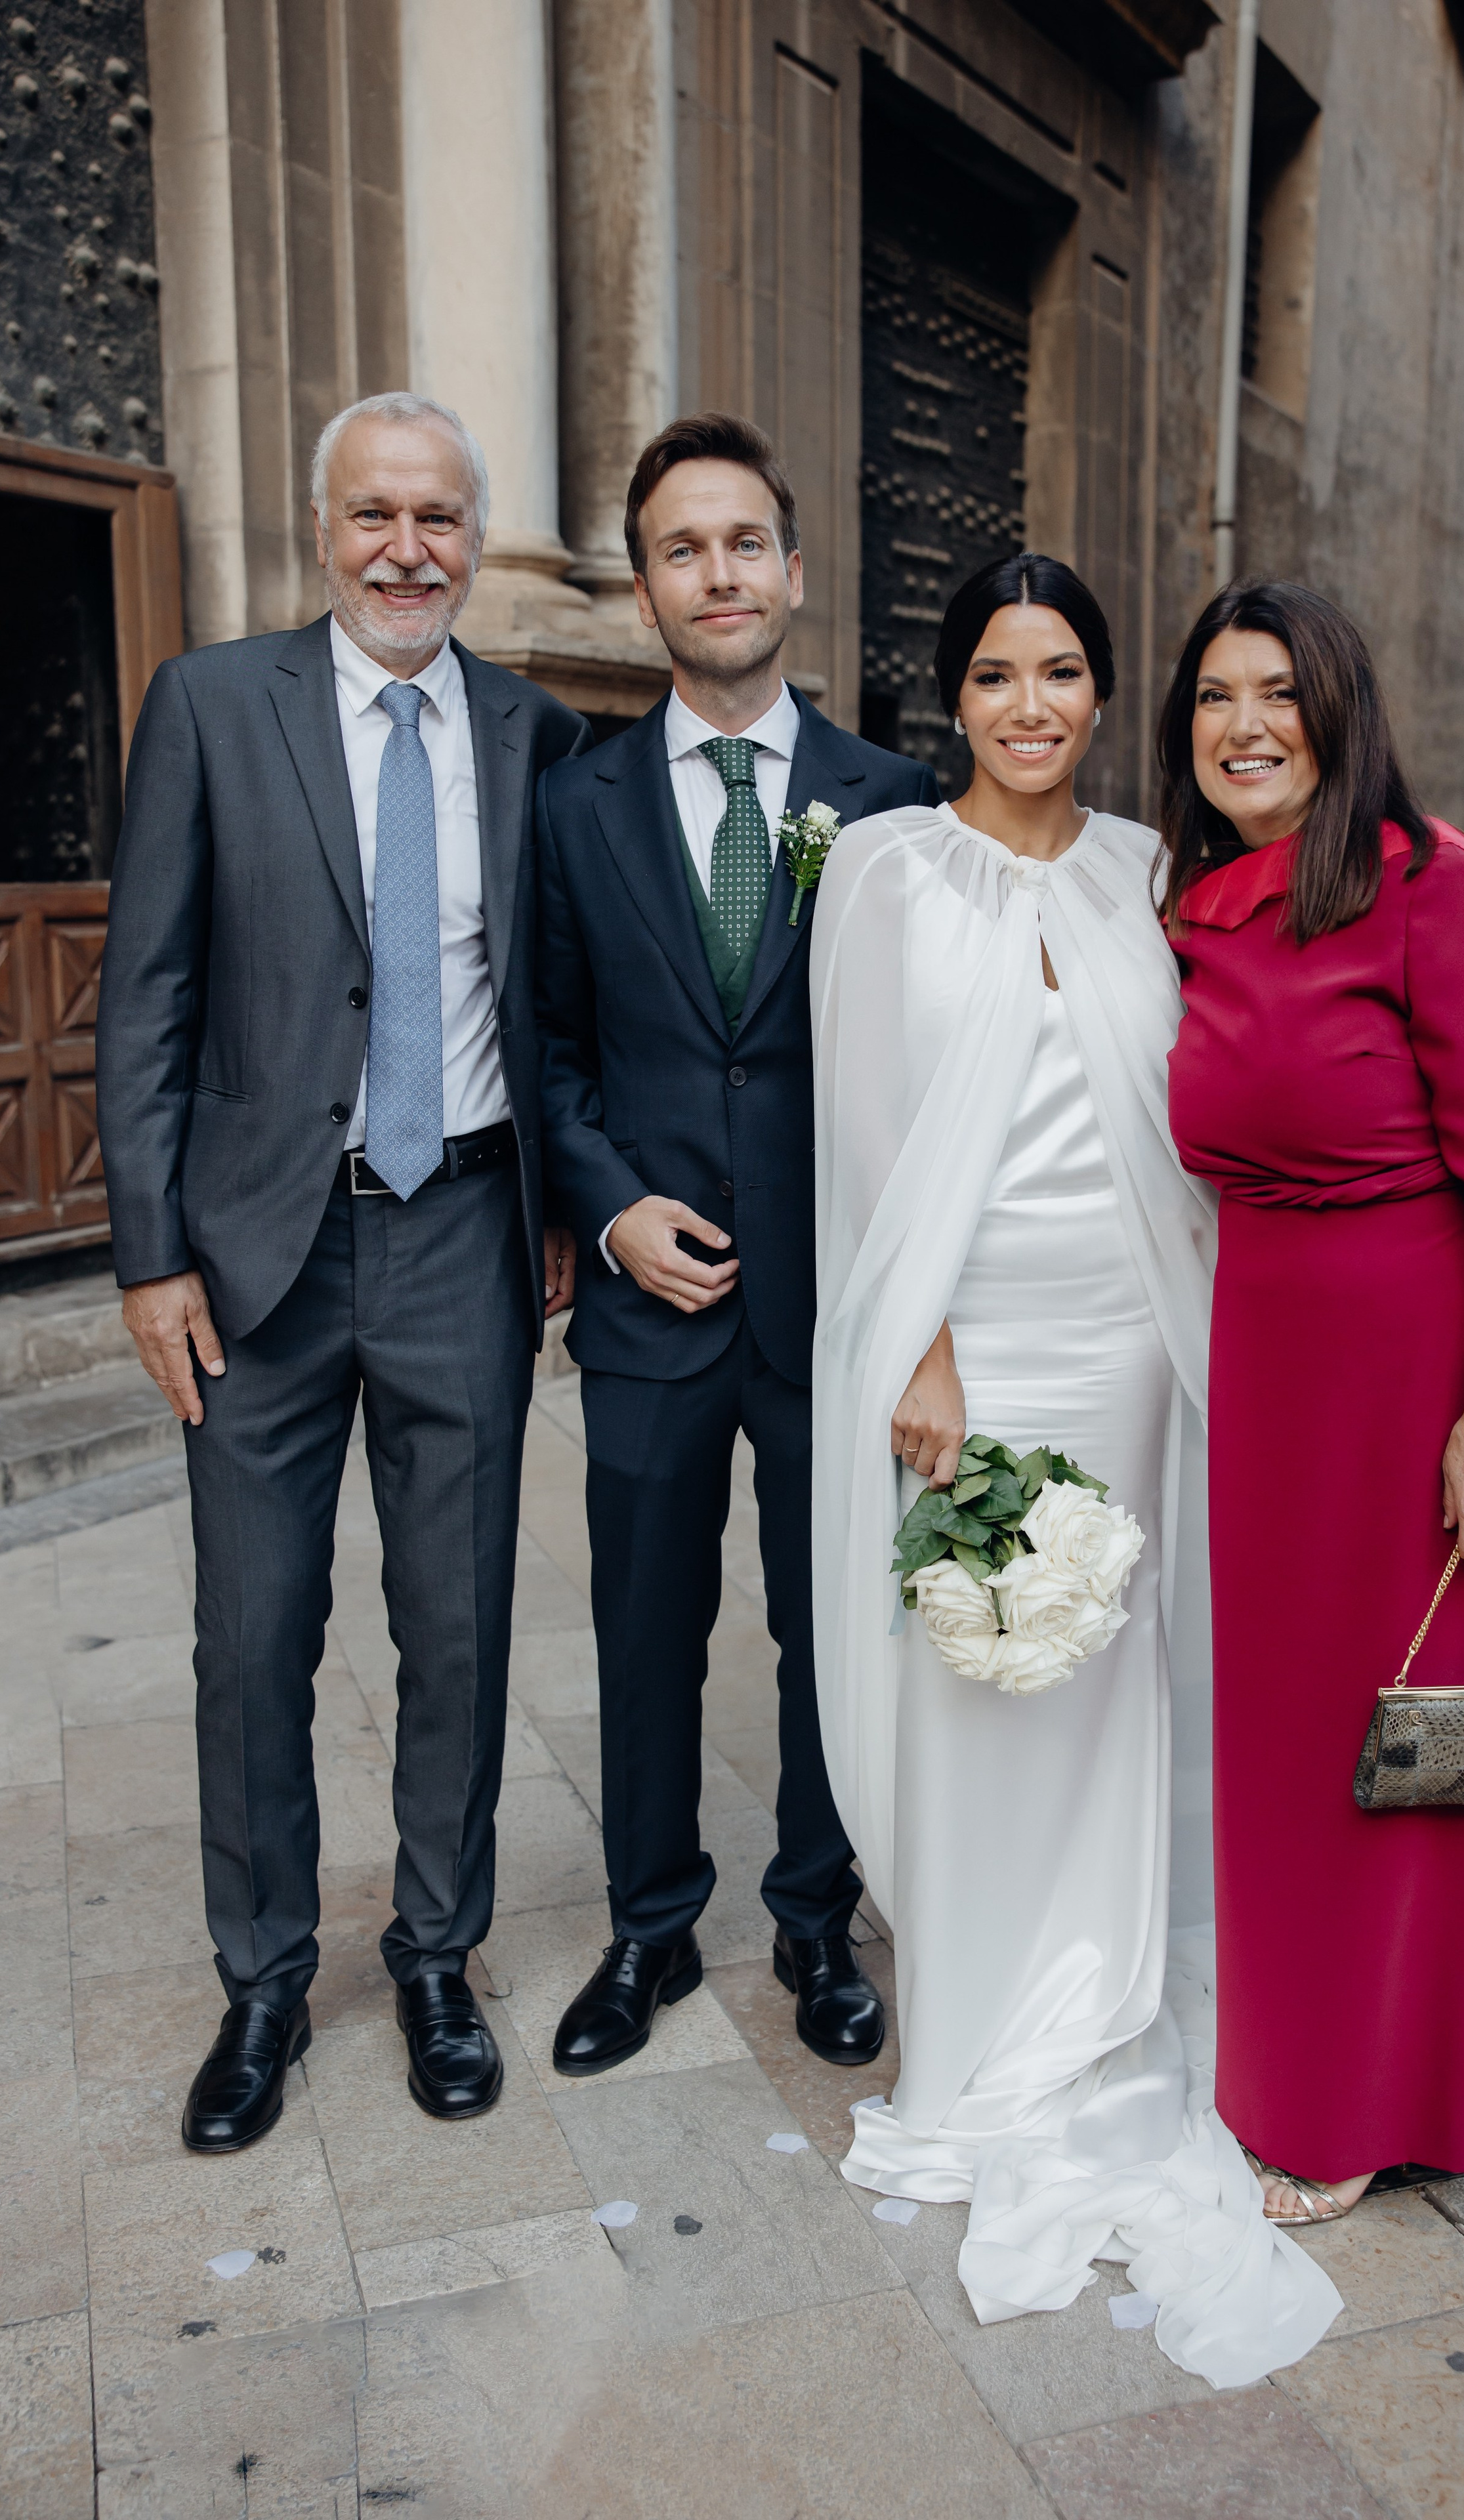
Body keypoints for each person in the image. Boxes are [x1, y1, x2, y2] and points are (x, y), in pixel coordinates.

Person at [810, 553, 1341, 2387]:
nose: (1028, 705)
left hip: (1126, 1334)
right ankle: (972, 2023)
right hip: (971, 1343)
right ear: (947, 695)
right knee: (975, 1670)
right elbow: (868, 1124)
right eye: (994, 674)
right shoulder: (880, 870)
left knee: (1104, 1661)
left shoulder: (1148, 872)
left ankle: (1108, 1986)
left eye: (1061, 673)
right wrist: (924, 1349)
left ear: (1106, 698)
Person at [97, 392, 589, 2151]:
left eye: (441, 518)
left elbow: (554, 998)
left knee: (457, 1625)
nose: (408, 549)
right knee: (253, 1633)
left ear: (474, 535)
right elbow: (146, 992)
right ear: (325, 530)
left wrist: (559, 1202)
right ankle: (264, 1980)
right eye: (376, 515)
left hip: (460, 1226)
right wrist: (149, 1252)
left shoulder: (535, 734)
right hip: (254, 1254)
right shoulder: (216, 707)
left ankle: (439, 1955)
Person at [1161, 580, 1464, 2223]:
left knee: (1416, 1750)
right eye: (1210, 697)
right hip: (1268, 1367)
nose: (1243, 727)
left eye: (1277, 694)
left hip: (1418, 1377)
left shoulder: (1433, 893)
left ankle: (1382, 2101)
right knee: (1288, 1750)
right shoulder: (1197, 904)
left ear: (1339, 714)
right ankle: (1296, 2064)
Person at [535, 412, 936, 2076]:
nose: (719, 572)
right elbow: (543, 1052)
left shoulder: (891, 802)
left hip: (829, 1310)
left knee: (825, 1629)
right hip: (648, 1310)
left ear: (791, 566)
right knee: (643, 1628)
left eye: (744, 541)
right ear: (645, 591)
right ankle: (647, 1929)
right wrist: (610, 1205)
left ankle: (808, 1915)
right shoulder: (573, 804)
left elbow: (927, 1069)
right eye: (682, 548)